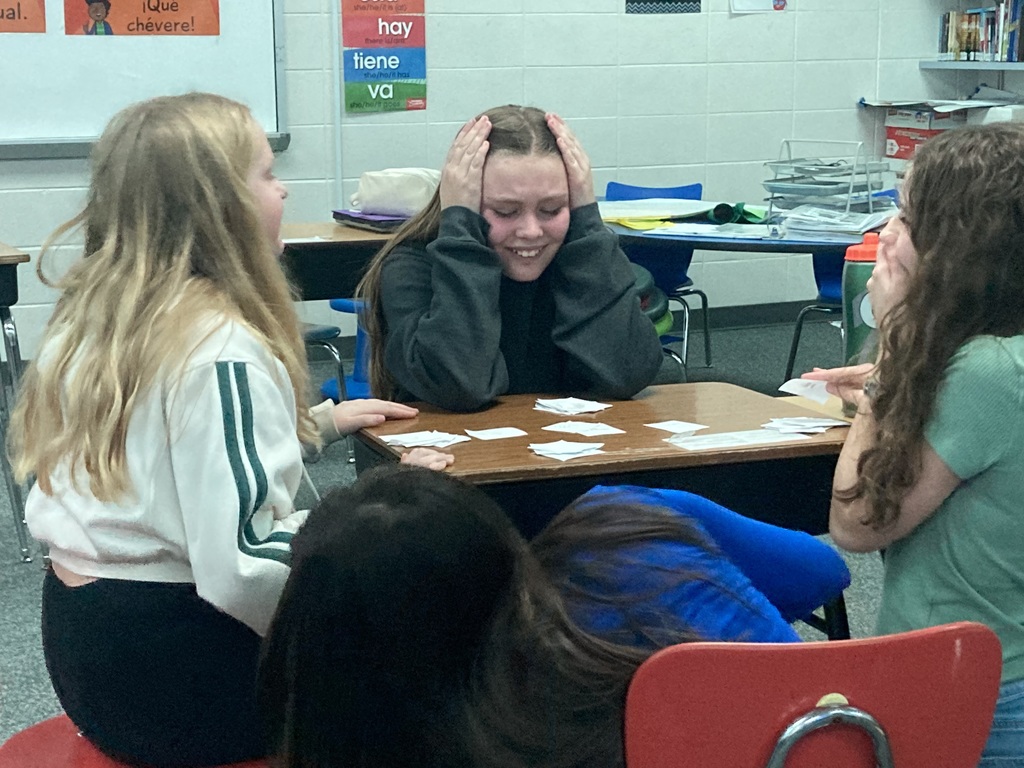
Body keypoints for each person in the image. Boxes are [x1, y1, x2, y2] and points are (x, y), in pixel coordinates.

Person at [7, 92, 449, 768]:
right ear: (219, 208)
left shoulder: (96, 318)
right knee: (422, 659)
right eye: (267, 175)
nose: (284, 187)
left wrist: (317, 426)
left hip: (86, 650)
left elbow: (161, 466)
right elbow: (244, 567)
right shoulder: (221, 348)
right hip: (182, 677)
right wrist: (370, 519)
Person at [259, 466, 852, 768]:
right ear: (507, 552)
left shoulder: (457, 734)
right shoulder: (627, 514)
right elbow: (824, 573)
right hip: (852, 732)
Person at [804, 122, 1024, 765]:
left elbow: (859, 519)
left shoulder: (985, 375)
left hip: (976, 689)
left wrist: (896, 346)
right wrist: (893, 386)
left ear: (957, 249)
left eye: (905, 218)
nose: (887, 235)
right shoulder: (999, 355)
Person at [356, 105, 665, 411]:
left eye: (552, 209)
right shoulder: (412, 265)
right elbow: (461, 386)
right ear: (466, 205)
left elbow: (628, 373)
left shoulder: (584, 257)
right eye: (505, 211)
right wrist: (461, 233)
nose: (531, 231)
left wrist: (587, 220)